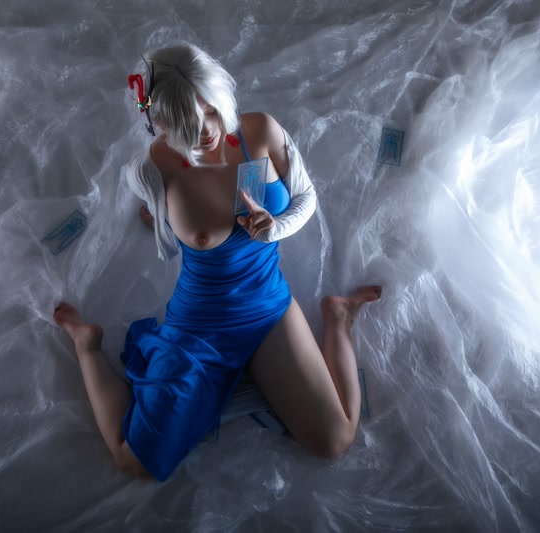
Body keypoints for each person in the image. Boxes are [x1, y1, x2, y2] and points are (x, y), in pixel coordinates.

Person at [53, 43, 381, 481]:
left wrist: (275, 227)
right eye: (185, 124)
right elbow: (158, 217)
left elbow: (305, 197)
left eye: (210, 111)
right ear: (158, 123)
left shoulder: (260, 130)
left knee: (335, 440)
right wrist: (167, 219)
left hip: (267, 306)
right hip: (201, 324)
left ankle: (339, 318)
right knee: (133, 460)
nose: (207, 130)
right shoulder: (151, 170)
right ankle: (86, 345)